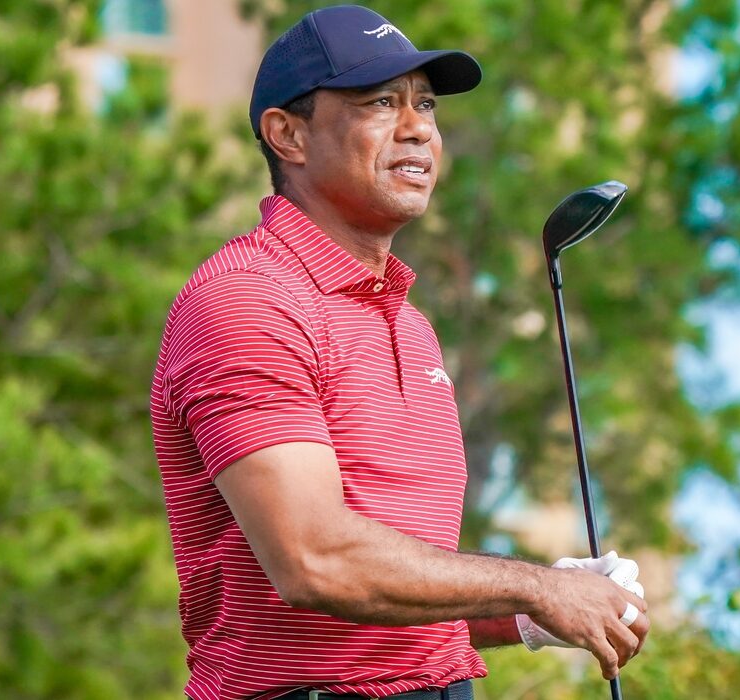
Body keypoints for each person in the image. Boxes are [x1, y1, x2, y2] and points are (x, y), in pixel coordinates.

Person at [150, 6, 650, 699]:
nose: (418, 128)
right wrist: (535, 586)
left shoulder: (410, 326)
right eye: (382, 103)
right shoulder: (248, 298)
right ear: (287, 134)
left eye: (427, 105)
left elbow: (391, 593)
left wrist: (535, 610)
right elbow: (315, 559)